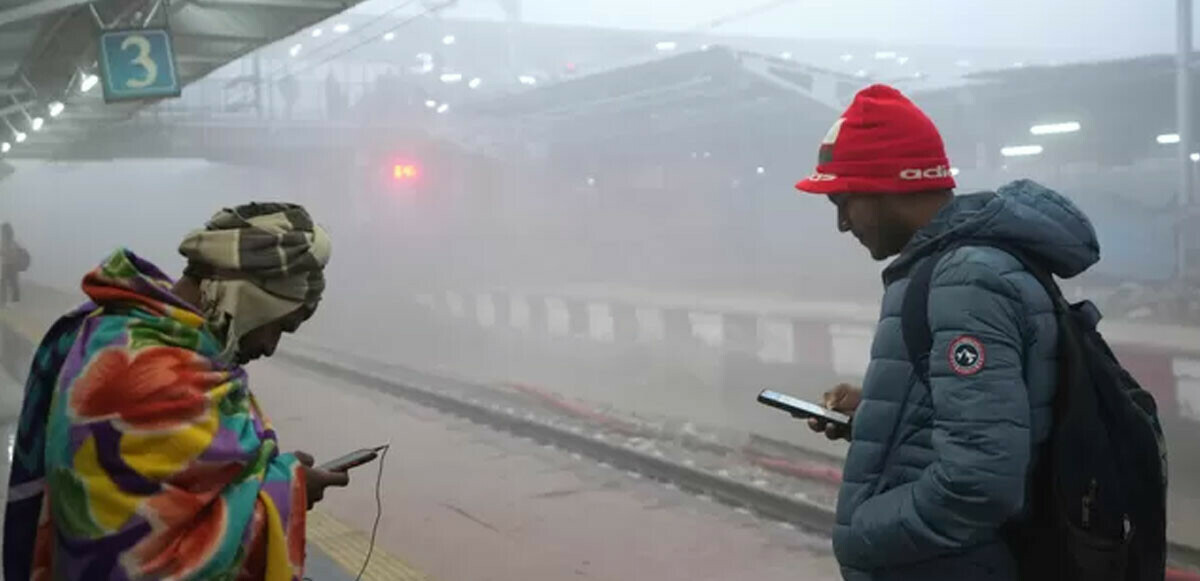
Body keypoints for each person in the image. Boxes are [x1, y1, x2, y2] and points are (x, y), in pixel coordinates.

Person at [794, 85, 1100, 580]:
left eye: (844, 201)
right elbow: (988, 415)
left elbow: (979, 481)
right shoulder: (959, 268)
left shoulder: (967, 279)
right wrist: (877, 411)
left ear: (886, 186)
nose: (842, 223)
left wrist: (862, 531)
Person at [3, 203, 349, 580]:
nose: (269, 347)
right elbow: (158, 565)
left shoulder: (126, 330)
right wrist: (290, 491)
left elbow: (178, 495)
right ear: (248, 298)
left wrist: (272, 478)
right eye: (279, 325)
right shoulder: (146, 373)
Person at [0, 222, 28, 306]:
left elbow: (20, 252)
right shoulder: (5, 243)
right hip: (6, 266)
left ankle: (13, 303)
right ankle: (3, 302)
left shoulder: (12, 243)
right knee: (4, 284)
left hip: (12, 266)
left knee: (13, 284)